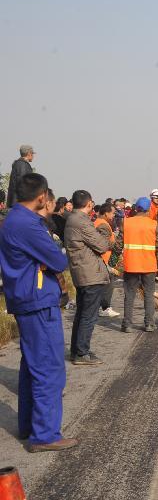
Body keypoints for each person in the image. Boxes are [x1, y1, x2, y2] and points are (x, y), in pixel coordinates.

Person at [0, 173, 78, 451]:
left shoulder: (14, 219)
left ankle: (28, 426)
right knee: (48, 368)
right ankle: (44, 435)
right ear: (42, 196)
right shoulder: (28, 225)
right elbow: (58, 260)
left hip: (26, 298)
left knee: (32, 366)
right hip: (37, 301)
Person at [64, 190, 112, 365]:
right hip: (90, 274)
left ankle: (77, 350)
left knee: (82, 314)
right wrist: (106, 234)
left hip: (82, 272)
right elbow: (102, 246)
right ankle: (82, 353)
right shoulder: (81, 222)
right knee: (88, 316)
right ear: (89, 203)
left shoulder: (73, 219)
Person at [110, 197, 158, 333]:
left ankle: (127, 324)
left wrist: (111, 263)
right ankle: (149, 324)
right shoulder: (154, 224)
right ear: (149, 209)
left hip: (131, 265)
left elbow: (117, 246)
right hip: (149, 266)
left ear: (136, 209)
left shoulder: (126, 223)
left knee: (130, 295)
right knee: (149, 295)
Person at [94, 203, 120, 319]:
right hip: (106, 259)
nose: (114, 215)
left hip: (103, 259)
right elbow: (103, 243)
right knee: (108, 285)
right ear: (106, 213)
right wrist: (115, 244)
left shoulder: (98, 222)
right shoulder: (103, 225)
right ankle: (105, 308)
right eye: (113, 212)